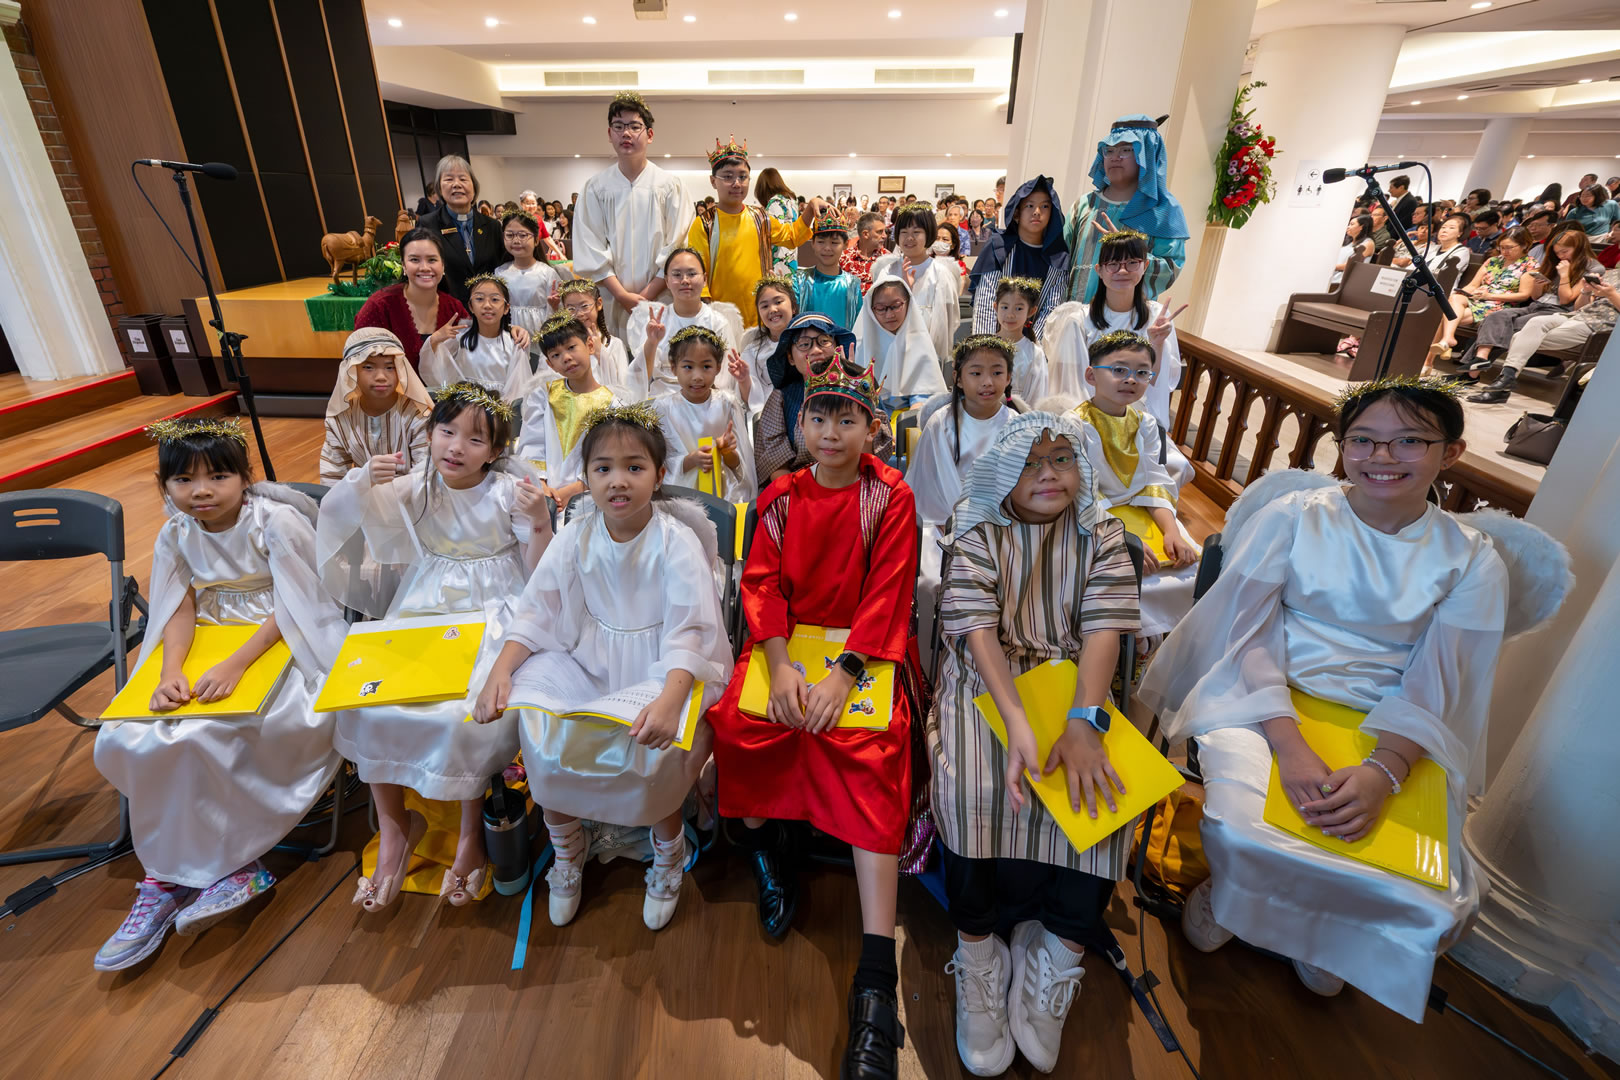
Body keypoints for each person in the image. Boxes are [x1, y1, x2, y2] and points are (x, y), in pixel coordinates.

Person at [1139, 376, 1566, 1020]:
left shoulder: (1471, 559)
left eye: (1409, 441)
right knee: (1245, 826)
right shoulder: (1294, 516)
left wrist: (1383, 770)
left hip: (1395, 718)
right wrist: (1290, 745)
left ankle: (1327, 932)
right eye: (1362, 440)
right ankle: (1233, 896)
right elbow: (1248, 633)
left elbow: (1441, 678)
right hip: (1265, 691)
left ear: (1449, 453)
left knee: (1419, 879)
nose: (1381, 457)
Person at [708, 356, 922, 1080]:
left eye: (847, 419)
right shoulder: (781, 495)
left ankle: (876, 978)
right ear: (800, 424)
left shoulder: (889, 496)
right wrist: (779, 664)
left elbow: (889, 591)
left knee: (870, 746)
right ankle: (773, 849)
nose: (832, 432)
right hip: (789, 647)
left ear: (872, 428)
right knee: (743, 727)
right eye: (819, 417)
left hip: (865, 653)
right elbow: (761, 585)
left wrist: (845, 673)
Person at [928, 409, 1140, 1075]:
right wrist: (1017, 721)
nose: (1048, 475)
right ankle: (978, 949)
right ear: (1001, 473)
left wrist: (1084, 723)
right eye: (1029, 463)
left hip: (1077, 682)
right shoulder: (976, 525)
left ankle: (1060, 947)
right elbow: (977, 631)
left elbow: (1104, 630)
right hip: (984, 680)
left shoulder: (1102, 530)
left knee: (1107, 795)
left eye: (1061, 460)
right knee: (972, 786)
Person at [92, 419, 344, 972]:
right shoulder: (176, 532)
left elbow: (299, 601)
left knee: (215, 732)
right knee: (139, 734)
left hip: (283, 635)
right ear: (164, 486)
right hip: (210, 636)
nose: (200, 491)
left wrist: (237, 663)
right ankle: (170, 879)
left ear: (245, 477)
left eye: (217, 476)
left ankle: (228, 865)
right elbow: (177, 606)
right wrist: (169, 671)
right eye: (183, 480)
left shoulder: (273, 521)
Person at [474, 403, 733, 930]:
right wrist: (501, 669)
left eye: (634, 467)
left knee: (654, 753)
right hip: (589, 659)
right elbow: (540, 606)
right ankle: (567, 848)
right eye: (603, 468)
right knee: (543, 734)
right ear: (586, 477)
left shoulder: (675, 542)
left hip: (661, 667)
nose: (618, 481)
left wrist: (670, 698)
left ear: (659, 474)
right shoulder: (576, 535)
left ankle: (668, 855)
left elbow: (690, 630)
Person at [318, 383, 551, 911]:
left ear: (495, 451)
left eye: (475, 439)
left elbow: (540, 572)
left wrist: (539, 519)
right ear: (430, 433)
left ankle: (470, 832)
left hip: (492, 606)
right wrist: (362, 481)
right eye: (446, 431)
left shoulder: (505, 491)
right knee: (368, 697)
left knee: (462, 710)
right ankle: (395, 827)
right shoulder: (418, 483)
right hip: (425, 601)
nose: (456, 447)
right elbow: (345, 519)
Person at [1070, 331, 1199, 637]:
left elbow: (1155, 480)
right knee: (1119, 578)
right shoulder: (1073, 424)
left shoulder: (1146, 423)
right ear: (1091, 375)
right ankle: (1113, 640)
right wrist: (1120, 539)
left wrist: (1171, 531)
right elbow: (1081, 492)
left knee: (1188, 567)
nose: (1131, 379)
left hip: (1143, 511)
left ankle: (1158, 641)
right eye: (1119, 370)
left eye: (1142, 373)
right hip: (1092, 520)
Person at [1043, 230, 1187, 485]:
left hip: (1143, 423)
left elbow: (1158, 383)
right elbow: (1073, 386)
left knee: (1176, 468)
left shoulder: (1158, 317)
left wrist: (1156, 343)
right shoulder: (1079, 320)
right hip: (1092, 423)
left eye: (1132, 262)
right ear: (1099, 270)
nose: (1122, 270)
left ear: (1144, 266)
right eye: (1113, 263)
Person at [573, 91, 695, 339]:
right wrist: (621, 295)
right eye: (618, 126)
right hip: (611, 297)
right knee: (615, 355)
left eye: (634, 126)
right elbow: (590, 245)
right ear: (610, 134)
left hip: (662, 295)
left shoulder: (669, 185)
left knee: (662, 353)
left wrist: (647, 295)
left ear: (649, 134)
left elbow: (678, 243)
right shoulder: (596, 188)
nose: (626, 133)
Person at [687, 135, 825, 327]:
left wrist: (810, 208)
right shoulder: (704, 224)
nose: (737, 183)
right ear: (713, 181)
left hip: (760, 319)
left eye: (742, 177)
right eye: (728, 176)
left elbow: (792, 236)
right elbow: (696, 275)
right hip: (720, 321)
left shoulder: (760, 217)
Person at [1063, 115, 1188, 306]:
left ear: (1146, 155)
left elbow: (1169, 270)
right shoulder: (1084, 205)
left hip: (1129, 318)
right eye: (1109, 150)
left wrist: (1127, 251)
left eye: (1126, 150)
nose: (1115, 157)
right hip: (1075, 315)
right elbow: (1061, 262)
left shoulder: (1163, 211)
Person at [756, 313, 894, 481]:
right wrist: (802, 494)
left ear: (838, 348)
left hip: (855, 482)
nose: (816, 350)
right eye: (804, 344)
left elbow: (871, 455)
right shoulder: (781, 399)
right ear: (790, 357)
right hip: (798, 486)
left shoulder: (861, 387)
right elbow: (776, 465)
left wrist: (851, 389)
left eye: (824, 341)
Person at [1459, 228, 1602, 381]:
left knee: (1508, 327)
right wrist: (1538, 285)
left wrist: (1564, 275)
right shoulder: (1555, 262)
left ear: (1579, 248)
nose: (1561, 256)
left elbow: (1566, 300)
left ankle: (1472, 374)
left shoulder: (1593, 268)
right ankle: (1480, 360)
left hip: (1559, 311)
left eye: (1564, 251)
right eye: (1557, 252)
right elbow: (1536, 297)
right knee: (1496, 317)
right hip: (1537, 305)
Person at [1468, 264, 1619, 403]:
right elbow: (1579, 307)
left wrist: (1611, 294)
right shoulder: (1611, 274)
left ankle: (1503, 384)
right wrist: (1586, 290)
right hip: (1576, 316)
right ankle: (1505, 382)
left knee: (1518, 337)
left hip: (1599, 326)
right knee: (1536, 322)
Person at [514, 314, 621, 504]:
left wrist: (571, 492)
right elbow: (532, 444)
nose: (566, 358)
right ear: (550, 364)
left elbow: (610, 458)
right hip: (544, 495)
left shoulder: (613, 404)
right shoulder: (544, 396)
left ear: (590, 345)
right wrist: (542, 486)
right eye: (556, 355)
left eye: (571, 347)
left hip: (591, 496)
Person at [651, 326, 756, 499]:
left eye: (706, 366)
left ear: (718, 368)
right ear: (673, 368)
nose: (697, 376)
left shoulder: (727, 403)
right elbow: (657, 463)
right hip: (682, 493)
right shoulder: (664, 408)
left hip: (724, 492)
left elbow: (740, 467)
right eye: (688, 367)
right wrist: (689, 461)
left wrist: (727, 451)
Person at [320, 328, 432, 485]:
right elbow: (332, 477)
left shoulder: (418, 414)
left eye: (390, 367)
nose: (381, 377)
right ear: (351, 370)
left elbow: (426, 474)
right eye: (368, 367)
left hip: (409, 495)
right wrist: (363, 480)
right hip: (361, 494)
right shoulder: (341, 419)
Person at [627, 247, 742, 392]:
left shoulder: (718, 322)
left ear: (704, 279)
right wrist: (652, 342)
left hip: (706, 398)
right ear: (667, 281)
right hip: (662, 398)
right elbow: (639, 379)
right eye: (677, 275)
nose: (685, 280)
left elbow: (726, 379)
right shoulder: (656, 321)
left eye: (692, 274)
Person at [354, 229, 469, 370]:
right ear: (403, 265)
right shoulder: (379, 306)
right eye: (414, 260)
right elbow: (361, 362)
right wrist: (432, 342)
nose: (425, 267)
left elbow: (471, 358)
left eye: (432, 260)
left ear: (443, 265)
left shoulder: (454, 309)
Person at [970, 175, 1069, 336]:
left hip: (1034, 343)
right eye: (1029, 206)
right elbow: (986, 301)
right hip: (995, 338)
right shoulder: (999, 246)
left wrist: (1031, 347)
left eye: (1045, 206)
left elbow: (1051, 310)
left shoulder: (1059, 257)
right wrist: (987, 345)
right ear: (1017, 213)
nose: (1037, 212)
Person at [871, 202, 960, 361]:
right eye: (904, 232)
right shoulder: (887, 271)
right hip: (891, 353)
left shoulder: (940, 273)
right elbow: (877, 315)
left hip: (927, 355)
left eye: (916, 232)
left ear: (929, 234)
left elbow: (949, 321)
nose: (909, 238)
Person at [420, 273, 530, 400]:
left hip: (502, 406)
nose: (487, 305)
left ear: (506, 308)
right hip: (464, 404)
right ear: (471, 306)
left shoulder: (514, 343)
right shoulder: (460, 340)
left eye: (495, 299)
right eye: (479, 299)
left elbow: (519, 386)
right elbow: (435, 371)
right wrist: (434, 339)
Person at [414, 156, 505, 303]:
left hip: (488, 309)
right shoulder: (428, 225)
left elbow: (502, 269)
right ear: (439, 188)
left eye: (463, 179)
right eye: (449, 179)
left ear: (474, 187)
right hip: (446, 308)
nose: (456, 184)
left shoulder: (492, 226)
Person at [853, 273, 948, 413]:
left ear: (908, 303)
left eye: (896, 306)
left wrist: (912, 414)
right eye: (881, 308)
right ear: (870, 309)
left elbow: (924, 394)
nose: (889, 315)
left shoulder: (919, 343)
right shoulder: (862, 344)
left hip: (906, 417)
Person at [1437, 226, 1535, 353]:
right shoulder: (1493, 261)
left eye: (1509, 247)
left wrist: (1489, 296)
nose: (1504, 251)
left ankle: (1433, 355)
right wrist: (1464, 292)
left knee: (1445, 317)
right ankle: (1447, 339)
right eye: (1501, 247)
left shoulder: (1530, 265)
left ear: (1524, 245)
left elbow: (1523, 295)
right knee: (1455, 298)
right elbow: (1473, 285)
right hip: (1478, 299)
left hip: (1500, 305)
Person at [557, 278, 642, 401]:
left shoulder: (614, 344)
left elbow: (622, 389)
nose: (579, 314)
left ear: (599, 304)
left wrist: (600, 353)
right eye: (571, 309)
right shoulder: (561, 347)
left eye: (584, 306)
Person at [494, 211, 560, 357]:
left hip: (540, 336)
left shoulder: (547, 273)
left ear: (536, 240)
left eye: (523, 235)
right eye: (510, 235)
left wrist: (554, 307)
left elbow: (557, 309)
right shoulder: (500, 273)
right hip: (510, 337)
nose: (516, 240)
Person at [736, 275, 798, 417]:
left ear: (793, 307)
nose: (772, 309)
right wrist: (743, 379)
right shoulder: (753, 350)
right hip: (769, 415)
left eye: (778, 302)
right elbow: (751, 401)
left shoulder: (806, 342)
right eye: (765, 306)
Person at [794, 210, 864, 327]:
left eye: (834, 243)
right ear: (812, 243)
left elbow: (858, 324)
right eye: (821, 242)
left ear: (845, 244)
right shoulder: (800, 280)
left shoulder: (852, 284)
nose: (827, 248)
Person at [990, 276, 1048, 403]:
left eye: (1019, 308)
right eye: (1005, 307)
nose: (1010, 315)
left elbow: (1039, 396)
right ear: (995, 307)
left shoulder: (1035, 353)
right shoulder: (984, 347)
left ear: (1031, 311)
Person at [755, 167, 801, 275]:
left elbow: (772, 233)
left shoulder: (775, 202)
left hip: (778, 260)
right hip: (791, 256)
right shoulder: (791, 201)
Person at [841, 212, 891, 294]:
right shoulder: (844, 258)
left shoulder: (887, 258)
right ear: (865, 234)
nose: (885, 236)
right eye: (879, 232)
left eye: (884, 231)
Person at [1331, 214, 1377, 287]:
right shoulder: (1348, 241)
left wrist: (1331, 267)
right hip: (1333, 274)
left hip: (1345, 281)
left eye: (1352, 224)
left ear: (1361, 227)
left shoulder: (1368, 243)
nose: (1348, 227)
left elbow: (1352, 265)